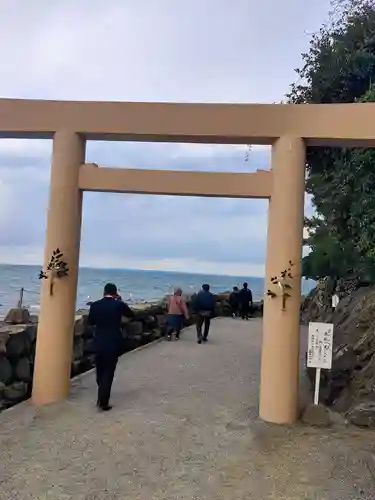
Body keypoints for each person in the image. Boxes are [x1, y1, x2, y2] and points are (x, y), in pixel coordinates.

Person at [88, 283, 135, 411]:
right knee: (109, 371)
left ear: (104, 292)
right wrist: (120, 301)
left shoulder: (95, 305)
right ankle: (103, 401)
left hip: (98, 341)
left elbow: (90, 322)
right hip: (113, 341)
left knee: (100, 369)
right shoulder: (118, 305)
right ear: (115, 293)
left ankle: (101, 389)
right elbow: (132, 315)